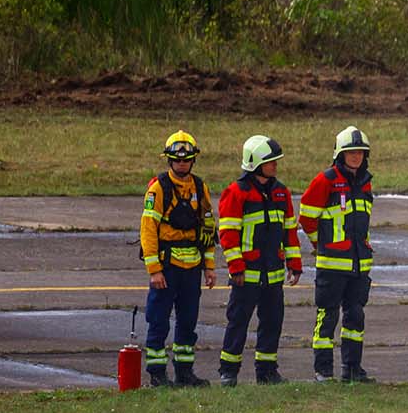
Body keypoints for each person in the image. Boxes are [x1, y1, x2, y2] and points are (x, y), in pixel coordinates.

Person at [216, 136, 302, 386]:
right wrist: (236, 268)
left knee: (272, 322)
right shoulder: (236, 193)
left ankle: (266, 371)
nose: (275, 165)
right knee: (238, 323)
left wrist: (294, 265)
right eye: (270, 161)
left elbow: (289, 232)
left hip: (273, 273)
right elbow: (228, 235)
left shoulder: (281, 192)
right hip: (247, 274)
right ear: (255, 163)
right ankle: (228, 371)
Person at [299, 127, 377, 383]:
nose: (355, 157)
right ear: (340, 155)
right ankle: (323, 371)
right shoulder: (326, 180)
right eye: (350, 153)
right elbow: (307, 218)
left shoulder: (365, 182)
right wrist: (319, 244)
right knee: (327, 317)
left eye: (359, 153)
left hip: (358, 265)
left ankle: (352, 368)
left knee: (355, 316)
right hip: (332, 265)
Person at [138, 131, 215, 387]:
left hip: (192, 268)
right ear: (169, 160)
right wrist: (154, 269)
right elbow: (148, 229)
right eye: (177, 160)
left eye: (187, 160)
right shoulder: (158, 189)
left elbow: (207, 229)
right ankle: (157, 374)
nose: (182, 164)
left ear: (193, 161)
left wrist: (210, 267)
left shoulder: (199, 187)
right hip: (166, 268)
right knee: (158, 320)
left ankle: (184, 372)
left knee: (188, 322)